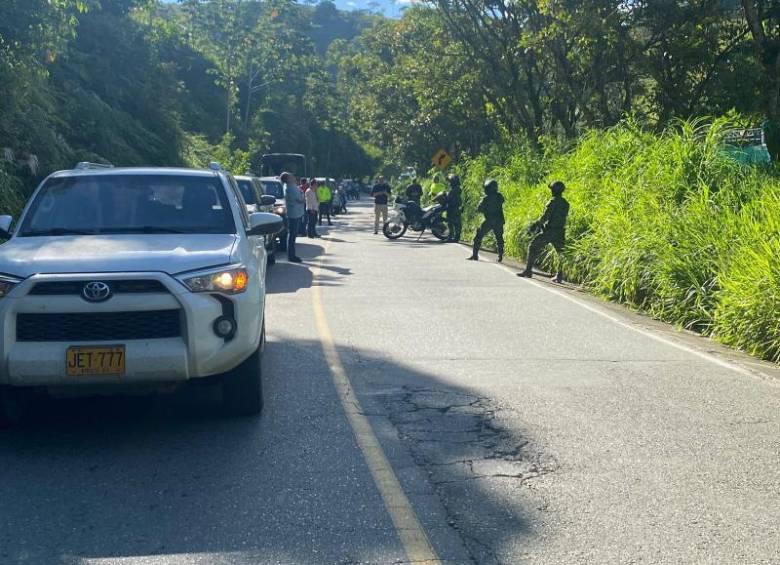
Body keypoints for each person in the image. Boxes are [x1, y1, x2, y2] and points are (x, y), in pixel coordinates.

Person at [518, 181, 570, 282]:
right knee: (561, 253)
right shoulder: (565, 203)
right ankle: (559, 276)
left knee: (533, 246)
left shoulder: (553, 201)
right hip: (560, 232)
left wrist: (536, 224)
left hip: (549, 231)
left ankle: (528, 271)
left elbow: (546, 217)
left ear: (554, 191)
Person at [467, 179, 505, 262]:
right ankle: (500, 256)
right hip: (499, 220)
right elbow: (502, 201)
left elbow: (479, 209)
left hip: (489, 221)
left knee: (478, 236)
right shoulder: (499, 196)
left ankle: (475, 255)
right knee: (499, 238)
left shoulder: (485, 199)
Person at [282, 172, 304, 263]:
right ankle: (291, 256)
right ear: (288, 179)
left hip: (295, 213)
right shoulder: (290, 188)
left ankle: (292, 255)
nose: (293, 177)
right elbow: (299, 199)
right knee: (292, 235)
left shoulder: (292, 186)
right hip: (294, 214)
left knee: (293, 235)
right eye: (291, 176)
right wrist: (303, 197)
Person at [445, 174, 462, 242]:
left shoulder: (453, 191)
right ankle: (456, 237)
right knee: (456, 223)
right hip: (456, 208)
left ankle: (452, 237)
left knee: (451, 223)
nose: (449, 183)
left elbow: (448, 198)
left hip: (452, 208)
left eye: (450, 182)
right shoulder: (457, 189)